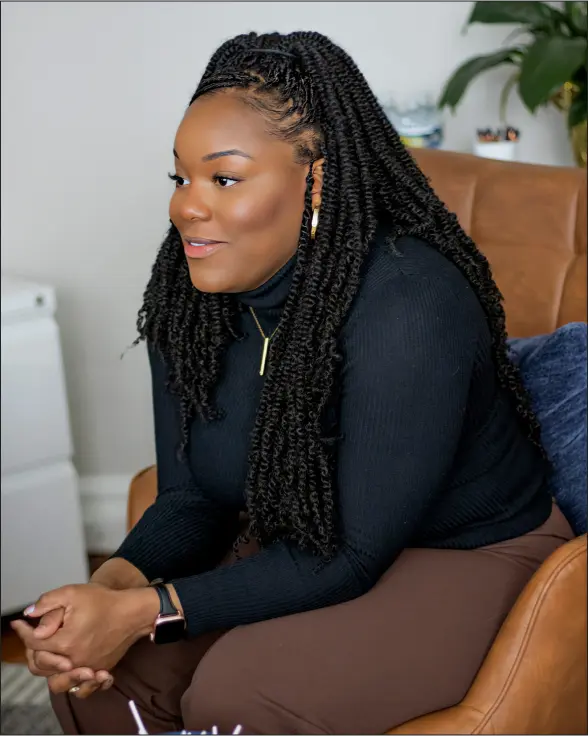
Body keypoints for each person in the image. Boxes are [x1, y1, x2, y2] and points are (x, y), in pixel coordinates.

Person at [13, 30, 573, 736]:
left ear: (316, 180)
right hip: (297, 537)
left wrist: (143, 612)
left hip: (466, 554)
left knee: (244, 693)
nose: (187, 206)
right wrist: (102, 598)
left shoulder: (410, 302)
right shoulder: (189, 300)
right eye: (179, 177)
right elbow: (191, 499)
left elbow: (354, 552)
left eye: (224, 178)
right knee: (104, 680)